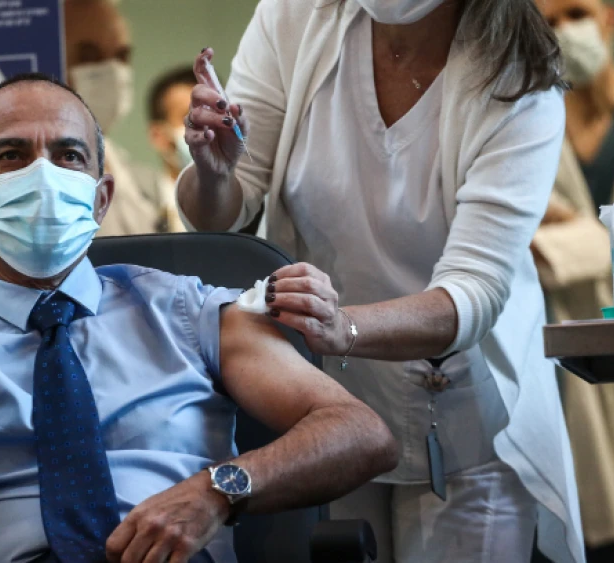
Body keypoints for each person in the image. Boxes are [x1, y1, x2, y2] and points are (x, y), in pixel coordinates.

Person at [0, 75, 399, 562]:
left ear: (101, 197)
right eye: (12, 155)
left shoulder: (188, 310)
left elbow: (360, 432)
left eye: (68, 156)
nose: (43, 174)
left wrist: (218, 489)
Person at [176, 1, 585, 562]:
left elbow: (475, 291)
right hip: (323, 413)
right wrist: (214, 171)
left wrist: (342, 325)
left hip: (462, 418)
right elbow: (223, 208)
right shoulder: (297, 17)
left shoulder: (520, 78)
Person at [533, 0, 614, 560]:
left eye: (576, 12)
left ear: (610, 19)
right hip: (571, 351)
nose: (564, 32)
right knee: (594, 523)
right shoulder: (531, 126)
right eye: (547, 21)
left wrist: (566, 238)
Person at [64, 0, 163, 236]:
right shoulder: (36, 180)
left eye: (121, 55)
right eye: (88, 57)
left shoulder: (139, 183)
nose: (112, 70)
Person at [147, 67, 198, 233]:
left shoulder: (250, 205)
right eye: (191, 118)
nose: (208, 129)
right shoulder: (142, 211)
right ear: (159, 137)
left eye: (214, 113)